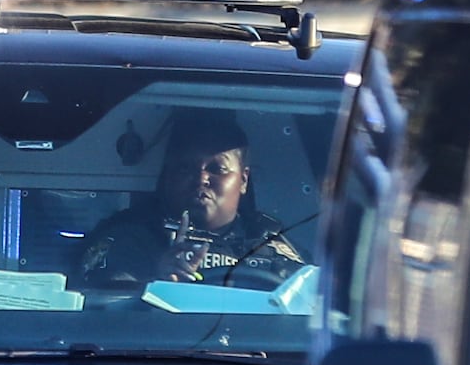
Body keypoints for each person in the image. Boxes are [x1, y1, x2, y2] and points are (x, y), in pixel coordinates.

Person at [78, 109, 307, 293]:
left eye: (217, 169)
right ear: (168, 177)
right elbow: (99, 312)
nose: (201, 178)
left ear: (244, 180)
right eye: (186, 168)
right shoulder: (126, 237)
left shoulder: (270, 244)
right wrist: (155, 283)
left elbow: (308, 306)